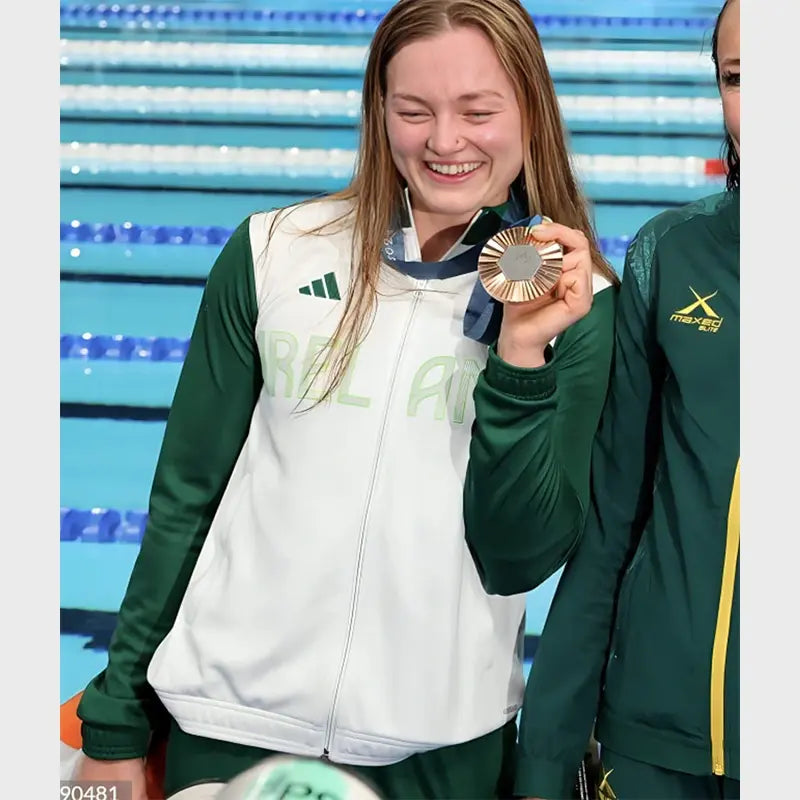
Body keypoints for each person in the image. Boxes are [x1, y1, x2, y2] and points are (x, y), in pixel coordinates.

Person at [69, 1, 619, 797]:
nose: (444, 141)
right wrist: (116, 717)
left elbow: (518, 558)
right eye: (414, 110)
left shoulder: (582, 304)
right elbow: (188, 495)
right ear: (378, 111)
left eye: (477, 110)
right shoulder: (274, 251)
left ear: (530, 111)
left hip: (442, 748)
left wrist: (521, 357)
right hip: (226, 731)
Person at [515, 1, 740, 798]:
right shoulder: (671, 254)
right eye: (740, 78)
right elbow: (612, 523)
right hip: (652, 742)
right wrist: (545, 758)